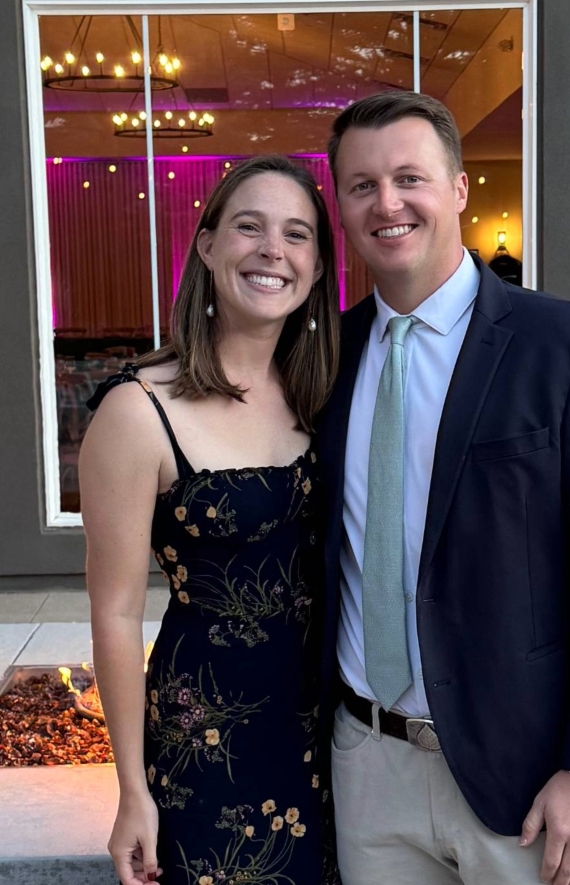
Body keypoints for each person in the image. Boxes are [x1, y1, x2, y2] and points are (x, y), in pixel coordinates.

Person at [315, 92, 570, 885]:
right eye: (362, 184)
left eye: (410, 177)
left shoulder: (569, 346)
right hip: (368, 767)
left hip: (528, 777)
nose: (387, 202)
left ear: (460, 188)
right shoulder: (323, 359)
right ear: (341, 203)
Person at [80, 156, 340, 885]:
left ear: (317, 269)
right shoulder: (138, 411)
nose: (272, 251)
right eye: (248, 227)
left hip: (327, 730)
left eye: (297, 235)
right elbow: (116, 610)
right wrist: (132, 788)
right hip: (208, 741)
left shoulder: (322, 390)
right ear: (206, 245)